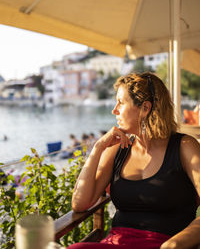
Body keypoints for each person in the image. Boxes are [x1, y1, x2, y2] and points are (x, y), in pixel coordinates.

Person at [70, 72, 200, 249]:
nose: (114, 110)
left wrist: (176, 243)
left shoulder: (184, 147)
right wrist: (98, 148)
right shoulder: (117, 151)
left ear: (145, 108)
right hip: (117, 242)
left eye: (121, 103)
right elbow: (79, 203)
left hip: (167, 244)